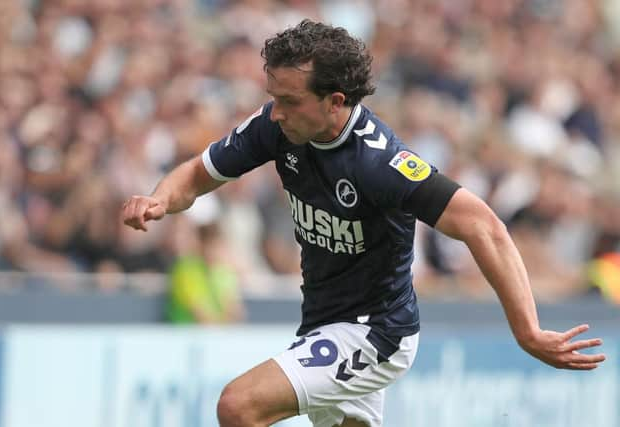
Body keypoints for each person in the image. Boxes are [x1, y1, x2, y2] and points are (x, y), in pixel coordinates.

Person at [122, 20, 606, 427]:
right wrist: (160, 199)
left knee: (238, 405)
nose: (275, 111)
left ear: (335, 101)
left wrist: (527, 331)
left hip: (376, 331)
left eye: (289, 100)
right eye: (273, 96)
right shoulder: (278, 126)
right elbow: (197, 173)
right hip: (321, 323)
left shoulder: (381, 164)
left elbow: (484, 226)